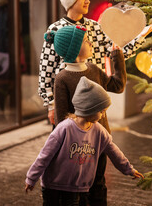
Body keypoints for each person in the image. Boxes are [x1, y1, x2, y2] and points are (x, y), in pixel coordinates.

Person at [38, 0, 149, 126]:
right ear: (70, 0)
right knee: (68, 141)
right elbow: (46, 69)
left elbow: (117, 53)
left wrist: (139, 38)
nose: (87, 1)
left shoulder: (96, 27)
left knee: (97, 143)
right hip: (68, 103)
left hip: (95, 102)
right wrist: (51, 105)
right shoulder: (56, 29)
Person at [25, 76, 144, 206]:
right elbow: (45, 155)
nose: (103, 115)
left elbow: (114, 151)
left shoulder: (99, 131)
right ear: (89, 108)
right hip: (54, 187)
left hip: (78, 187)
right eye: (101, 111)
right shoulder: (65, 128)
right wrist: (31, 178)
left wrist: (128, 169)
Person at [46, 24, 125, 205]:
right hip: (78, 147)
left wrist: (117, 57)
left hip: (100, 139)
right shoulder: (62, 79)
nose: (90, 42)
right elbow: (61, 120)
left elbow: (117, 86)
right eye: (85, 40)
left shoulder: (93, 69)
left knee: (98, 184)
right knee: (78, 190)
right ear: (74, 49)